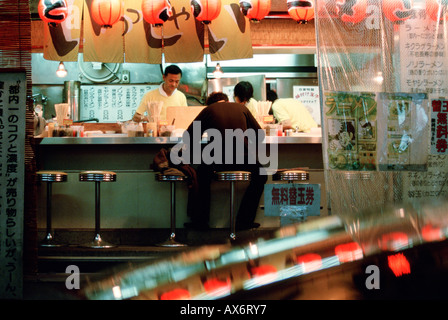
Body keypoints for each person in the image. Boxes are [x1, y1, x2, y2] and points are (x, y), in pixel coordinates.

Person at [182, 92, 267, 230]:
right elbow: (259, 134)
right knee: (261, 175)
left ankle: (200, 222)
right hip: (243, 158)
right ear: (227, 101)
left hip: (217, 159)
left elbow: (189, 135)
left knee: (202, 175)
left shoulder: (208, 110)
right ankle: (244, 221)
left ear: (210, 104)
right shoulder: (242, 108)